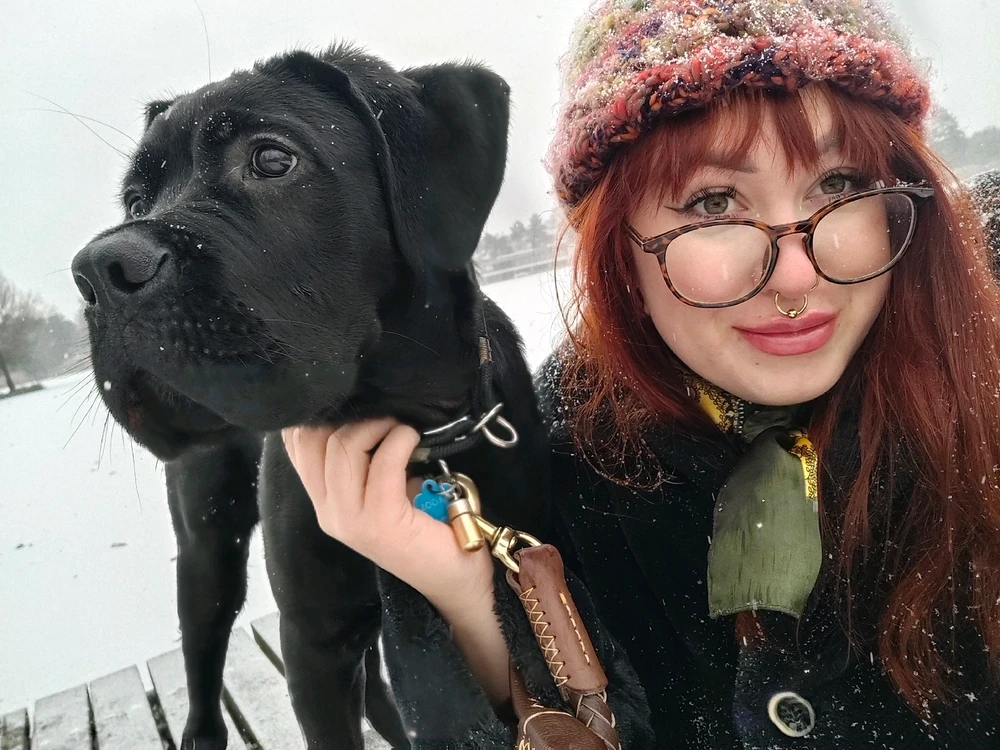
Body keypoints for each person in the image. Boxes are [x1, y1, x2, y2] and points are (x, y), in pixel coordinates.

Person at [283, 1, 1000, 746]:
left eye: (841, 185)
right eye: (714, 202)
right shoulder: (556, 477)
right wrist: (468, 605)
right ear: (616, 248)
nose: (796, 274)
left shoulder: (980, 376)